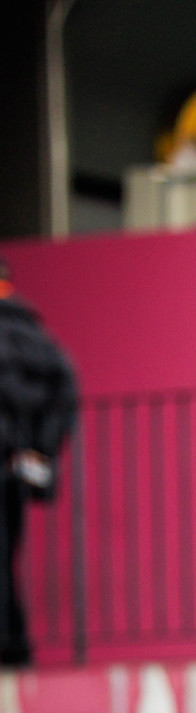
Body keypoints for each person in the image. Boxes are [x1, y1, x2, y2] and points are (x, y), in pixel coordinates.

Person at [0, 261, 79, 669]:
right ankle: (13, 648)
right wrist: (38, 450)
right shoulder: (36, 337)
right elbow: (65, 391)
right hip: (16, 467)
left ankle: (12, 649)